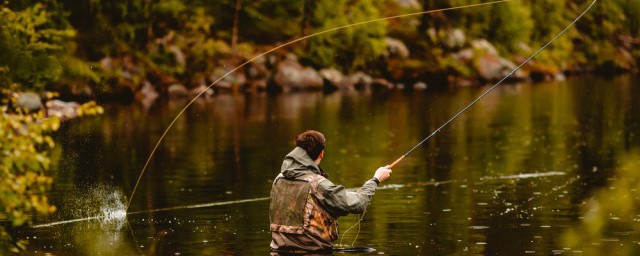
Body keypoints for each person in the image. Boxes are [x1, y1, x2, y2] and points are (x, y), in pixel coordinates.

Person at [269, 130, 392, 254]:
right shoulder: (318, 183)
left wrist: (351, 194)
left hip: (277, 251)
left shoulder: (278, 179)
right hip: (313, 251)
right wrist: (375, 180)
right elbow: (358, 204)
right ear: (321, 153)